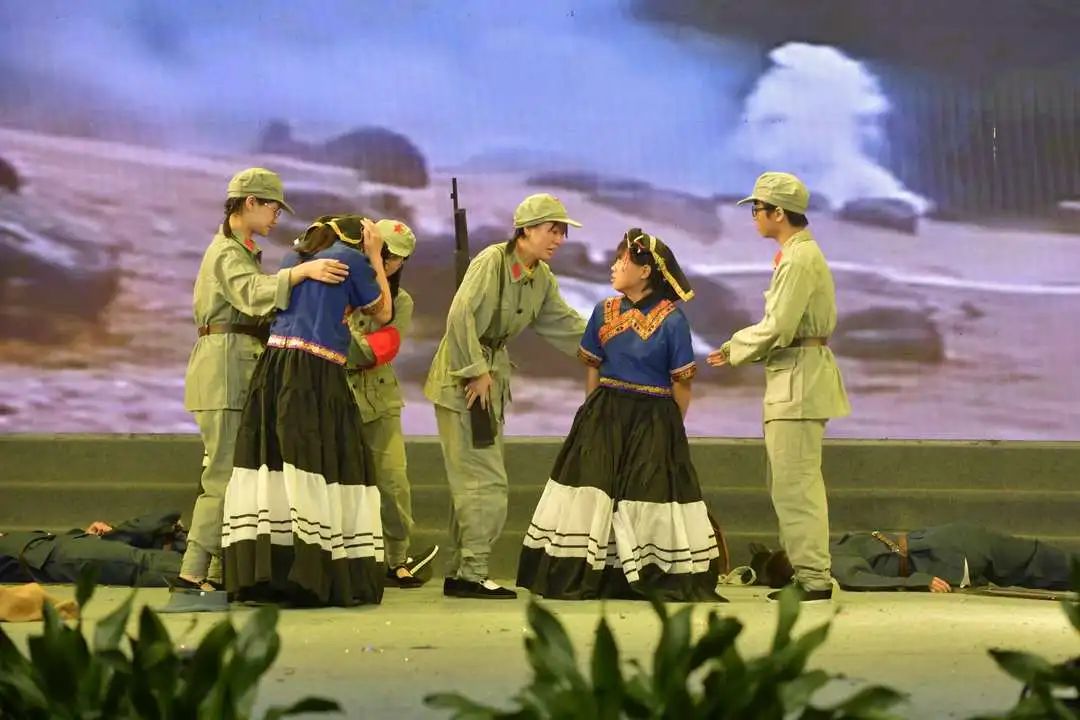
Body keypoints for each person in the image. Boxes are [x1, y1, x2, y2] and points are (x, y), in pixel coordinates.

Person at [516, 229, 725, 601]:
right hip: (605, 413)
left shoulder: (672, 320)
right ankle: (591, 573)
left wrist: (670, 430)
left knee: (647, 492)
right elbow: (593, 366)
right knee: (593, 490)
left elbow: (682, 383)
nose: (613, 267)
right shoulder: (603, 311)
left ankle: (645, 571)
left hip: (653, 417)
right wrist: (591, 413)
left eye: (621, 261)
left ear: (644, 271)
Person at [179, 168, 350, 593]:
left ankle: (216, 571)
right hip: (224, 370)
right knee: (223, 474)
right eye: (273, 207)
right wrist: (303, 274)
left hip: (235, 364)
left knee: (234, 472)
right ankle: (192, 571)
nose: (277, 216)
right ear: (250, 202)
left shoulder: (241, 251)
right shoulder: (226, 252)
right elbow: (252, 294)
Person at [220, 214, 391, 607]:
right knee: (317, 464)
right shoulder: (352, 260)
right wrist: (375, 256)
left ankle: (268, 573)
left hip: (274, 368)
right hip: (316, 373)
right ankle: (313, 575)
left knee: (276, 466)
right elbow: (382, 313)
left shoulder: (292, 258)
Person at [424, 193, 587, 599]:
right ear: (526, 231)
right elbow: (460, 315)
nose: (559, 239)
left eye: (562, 232)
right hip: (465, 380)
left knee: (474, 480)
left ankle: (463, 570)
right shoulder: (492, 262)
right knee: (485, 482)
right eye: (552, 230)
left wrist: (612, 342)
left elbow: (563, 323)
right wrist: (475, 370)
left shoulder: (539, 276)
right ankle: (473, 572)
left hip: (489, 378)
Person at [707, 172, 850, 602]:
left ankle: (813, 578)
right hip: (794, 376)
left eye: (758, 209)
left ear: (779, 213)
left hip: (799, 380)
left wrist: (734, 348)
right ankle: (804, 571)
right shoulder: (796, 255)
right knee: (789, 484)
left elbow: (779, 326)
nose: (754, 216)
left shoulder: (798, 259)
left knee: (796, 486)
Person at [345, 219, 439, 588]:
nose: (389, 262)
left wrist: (337, 335)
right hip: (335, 396)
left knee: (393, 482)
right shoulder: (337, 285)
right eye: (384, 252)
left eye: (397, 257)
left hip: (379, 401)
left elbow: (375, 352)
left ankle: (397, 559)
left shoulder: (400, 302)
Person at [751, 523, 1079, 593]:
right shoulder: (830, 549)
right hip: (947, 544)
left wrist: (920, 581)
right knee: (1036, 563)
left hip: (946, 554)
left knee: (1036, 563)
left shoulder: (832, 560)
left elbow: (861, 579)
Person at [0, 513, 184, 586]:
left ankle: (194, 557)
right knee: (138, 564)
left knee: (148, 531)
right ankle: (196, 574)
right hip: (44, 556)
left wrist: (81, 535)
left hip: (54, 546)